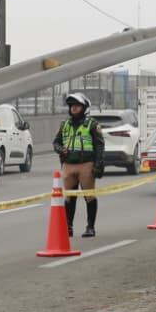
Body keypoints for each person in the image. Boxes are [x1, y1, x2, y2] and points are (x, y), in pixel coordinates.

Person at [53, 92, 105, 238]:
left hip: (86, 165)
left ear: (84, 108)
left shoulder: (92, 124)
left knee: (89, 196)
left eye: (77, 106)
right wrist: (59, 149)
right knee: (69, 198)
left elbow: (99, 146)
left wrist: (98, 165)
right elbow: (56, 142)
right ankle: (68, 227)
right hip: (68, 165)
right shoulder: (64, 124)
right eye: (72, 106)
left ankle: (90, 227)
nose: (74, 108)